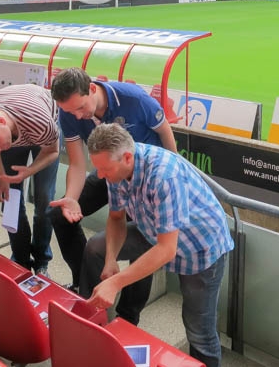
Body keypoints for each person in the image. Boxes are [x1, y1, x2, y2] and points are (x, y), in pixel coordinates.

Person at [81, 123, 233, 367]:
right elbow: (116, 218)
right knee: (96, 247)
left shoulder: (164, 175)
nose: (99, 175)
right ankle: (97, 328)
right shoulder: (115, 168)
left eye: (104, 169)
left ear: (127, 157)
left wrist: (116, 282)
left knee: (198, 331)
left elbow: (166, 249)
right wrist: (111, 260)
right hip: (154, 231)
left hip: (200, 248)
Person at [48, 67, 176, 323]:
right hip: (107, 173)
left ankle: (128, 316)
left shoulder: (135, 100)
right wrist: (72, 198)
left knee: (141, 239)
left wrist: (170, 178)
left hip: (142, 178)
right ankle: (87, 283)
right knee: (60, 215)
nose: (77, 115)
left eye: (80, 108)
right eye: (70, 111)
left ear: (92, 89)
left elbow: (166, 136)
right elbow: (76, 163)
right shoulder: (69, 111)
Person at [0, 84, 60, 276]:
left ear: (1, 121)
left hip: (41, 136)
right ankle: (20, 258)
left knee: (44, 200)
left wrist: (30, 170)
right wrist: (2, 179)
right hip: (13, 130)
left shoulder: (39, 122)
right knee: (10, 199)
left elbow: (53, 151)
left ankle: (41, 260)